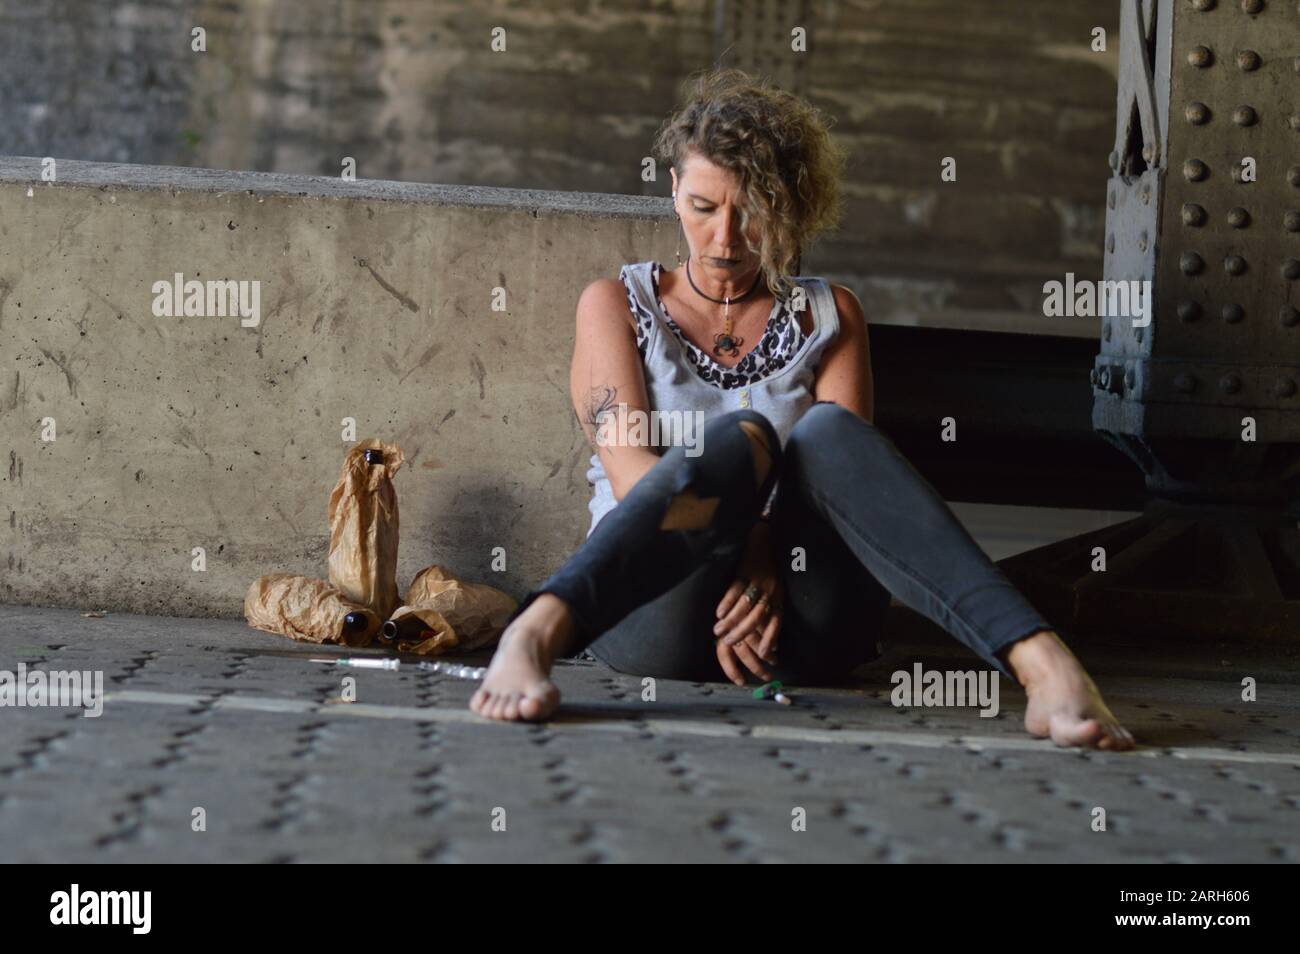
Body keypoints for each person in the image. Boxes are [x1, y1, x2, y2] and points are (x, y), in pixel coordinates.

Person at [470, 67, 1134, 751]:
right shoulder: (616, 305)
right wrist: (744, 539)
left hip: (805, 619)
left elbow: (855, 495)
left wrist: (769, 554)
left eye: (752, 210)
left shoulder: (831, 313)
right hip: (656, 608)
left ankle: (1041, 662)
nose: (726, 237)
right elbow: (631, 468)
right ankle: (539, 628)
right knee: (741, 438)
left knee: (826, 432)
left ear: (790, 206)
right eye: (703, 206)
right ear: (673, 193)